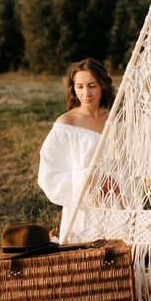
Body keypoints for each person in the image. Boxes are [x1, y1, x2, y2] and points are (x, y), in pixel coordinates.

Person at [37, 57, 120, 242]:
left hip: (117, 202)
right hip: (84, 208)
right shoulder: (66, 124)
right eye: (80, 86)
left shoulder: (115, 120)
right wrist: (91, 178)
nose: (86, 93)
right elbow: (49, 175)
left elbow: (130, 160)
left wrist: (117, 181)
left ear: (102, 86)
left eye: (92, 85)